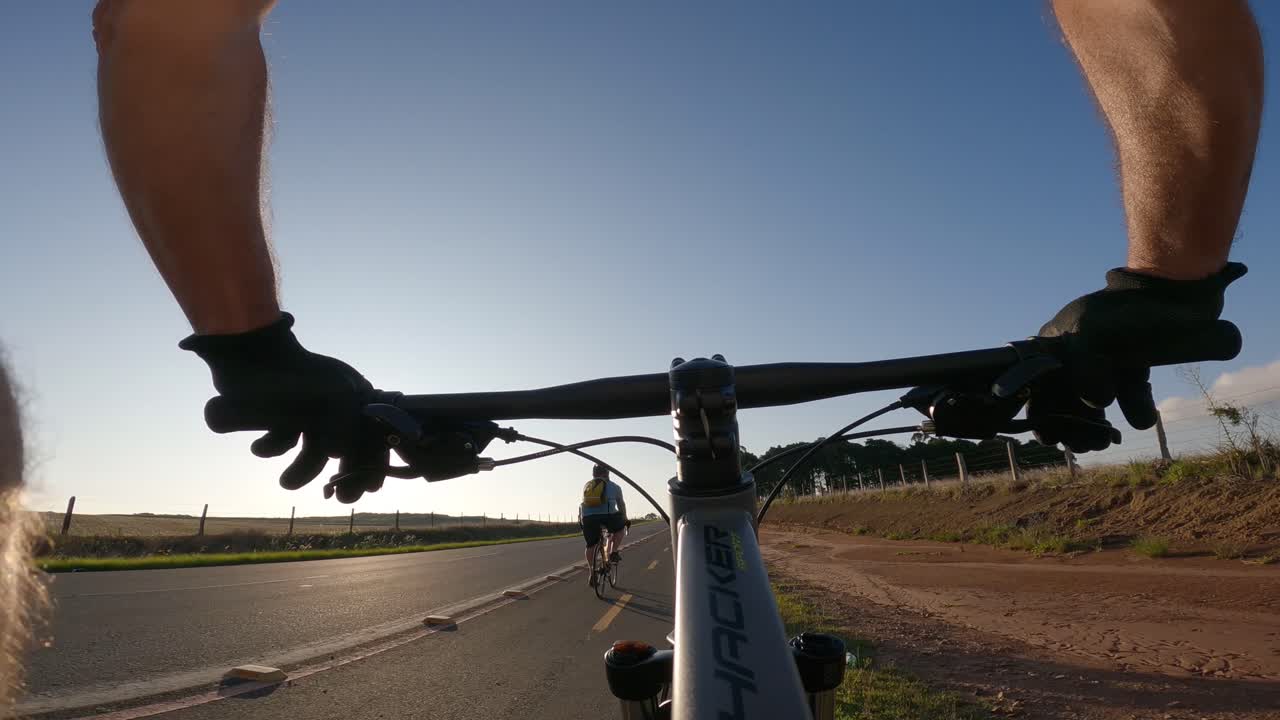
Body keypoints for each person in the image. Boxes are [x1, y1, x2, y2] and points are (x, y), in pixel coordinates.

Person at [0, 1, 1264, 714]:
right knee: (597, 518)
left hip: (594, 470)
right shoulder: (599, 486)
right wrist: (1167, 280)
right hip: (602, 489)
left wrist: (248, 342)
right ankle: (606, 553)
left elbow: (166, 31)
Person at [578, 464, 629, 587]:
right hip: (607, 516)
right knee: (620, 528)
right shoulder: (614, 487)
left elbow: (583, 503)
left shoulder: (588, 485)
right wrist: (625, 518)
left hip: (588, 517)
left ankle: (592, 571)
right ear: (607, 474)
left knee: (590, 545)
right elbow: (621, 504)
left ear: (593, 474)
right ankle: (614, 552)